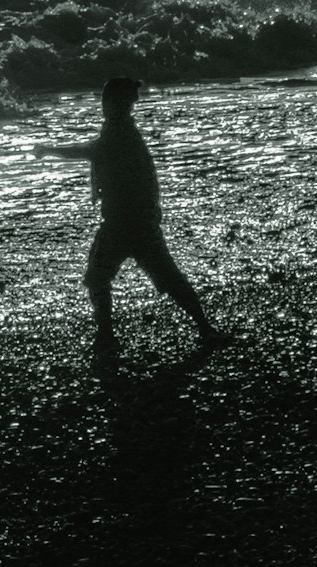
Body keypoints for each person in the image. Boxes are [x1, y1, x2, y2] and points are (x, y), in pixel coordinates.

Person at [59, 75, 225, 370]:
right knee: (169, 278)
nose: (117, 105)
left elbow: (91, 151)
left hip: (122, 223)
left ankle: (106, 336)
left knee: (98, 278)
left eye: (120, 101)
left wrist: (48, 150)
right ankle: (205, 328)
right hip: (140, 221)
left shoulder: (118, 132)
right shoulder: (125, 130)